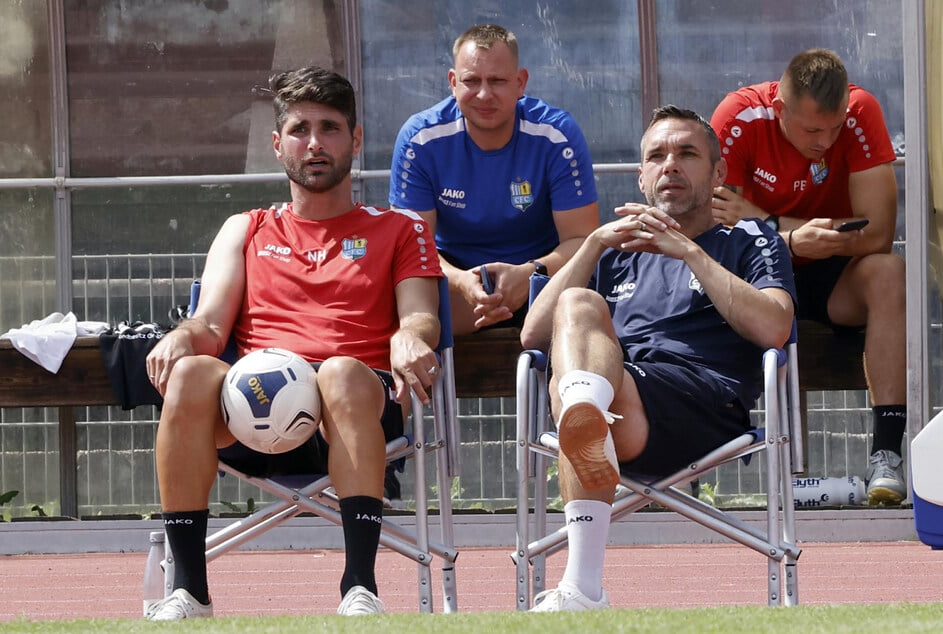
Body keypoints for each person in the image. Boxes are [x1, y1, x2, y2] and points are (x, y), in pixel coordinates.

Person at [142, 66, 443, 620]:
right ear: (278, 144)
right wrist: (180, 337)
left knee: (340, 374)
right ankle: (188, 590)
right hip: (254, 409)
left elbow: (421, 319)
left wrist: (409, 337)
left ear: (355, 140)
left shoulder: (402, 229)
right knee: (188, 372)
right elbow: (208, 324)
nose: (315, 143)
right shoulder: (247, 227)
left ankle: (360, 588)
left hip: (353, 409)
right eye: (300, 129)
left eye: (330, 128)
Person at [520, 105, 796, 611]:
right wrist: (593, 244)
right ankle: (585, 416)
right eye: (657, 156)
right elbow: (532, 335)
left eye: (687, 154)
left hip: (703, 404)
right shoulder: (613, 251)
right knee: (577, 306)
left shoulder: (749, 240)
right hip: (616, 397)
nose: (670, 165)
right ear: (641, 176)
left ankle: (582, 587)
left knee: (581, 392)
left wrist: (690, 253)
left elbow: (776, 326)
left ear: (718, 174)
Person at [709, 48, 906, 506]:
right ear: (780, 109)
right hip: (756, 274)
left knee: (889, 272)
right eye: (813, 129)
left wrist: (764, 219)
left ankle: (886, 454)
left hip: (833, 275)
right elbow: (718, 233)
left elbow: (876, 235)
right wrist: (788, 236)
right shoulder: (738, 115)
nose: (825, 140)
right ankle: (686, 467)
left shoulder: (862, 110)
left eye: (835, 128)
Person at [389, 23, 600, 335]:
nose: (484, 94)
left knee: (582, 303)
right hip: (452, 280)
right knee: (402, 307)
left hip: (540, 277)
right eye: (471, 81)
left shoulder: (557, 134)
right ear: (452, 82)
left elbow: (582, 242)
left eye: (498, 81)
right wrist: (461, 280)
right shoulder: (419, 139)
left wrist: (531, 273)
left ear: (520, 82)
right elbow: (410, 246)